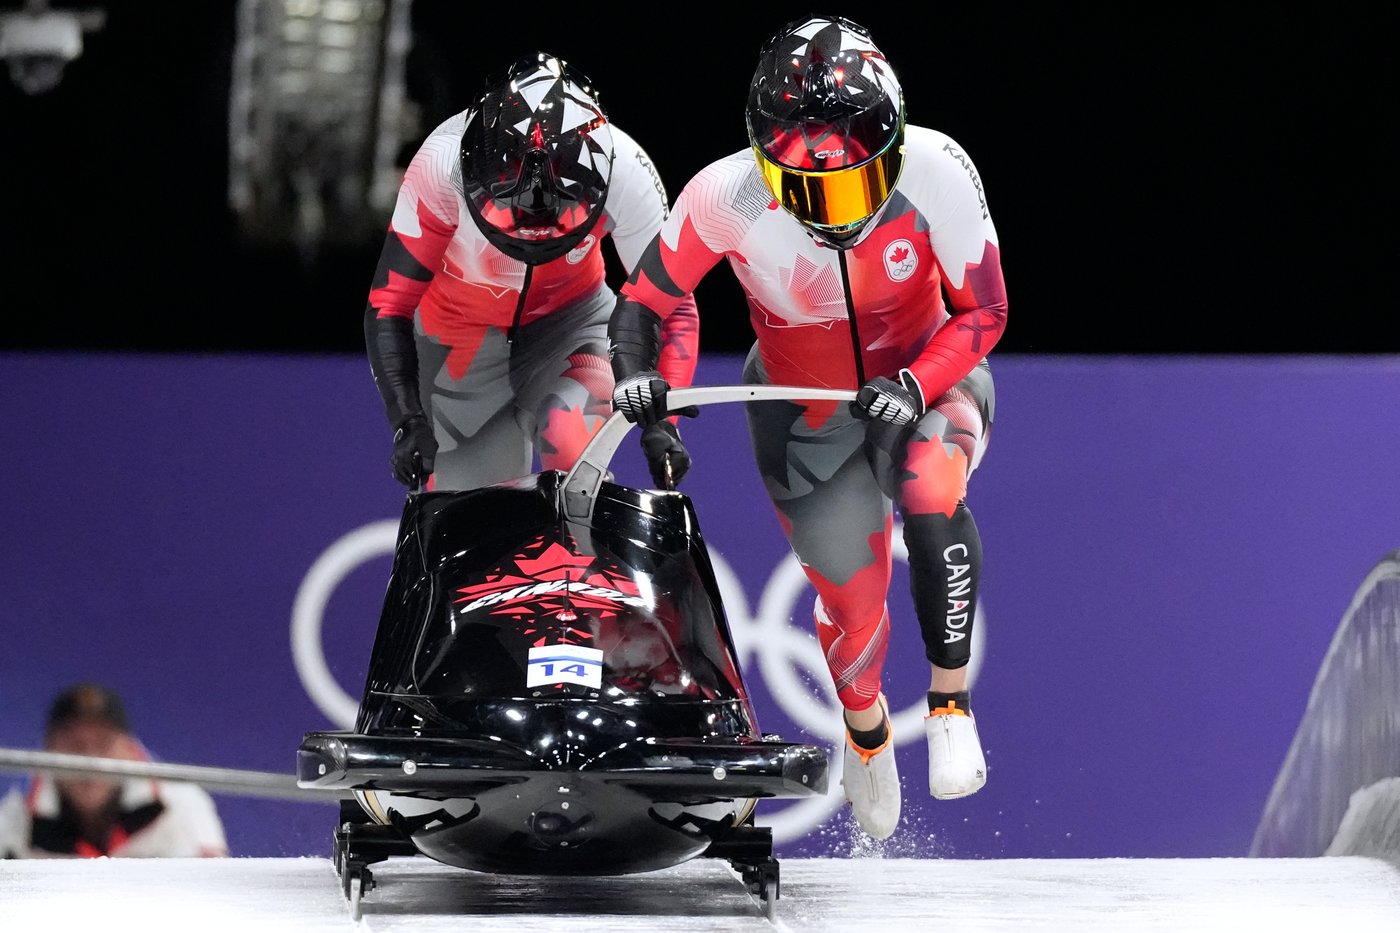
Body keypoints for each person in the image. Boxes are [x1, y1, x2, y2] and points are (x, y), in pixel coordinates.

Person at [608, 15, 1009, 840]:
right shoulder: (728, 194)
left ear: (891, 149)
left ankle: (949, 702)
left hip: (930, 373)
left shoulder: (937, 167)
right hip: (804, 409)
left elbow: (986, 311)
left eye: (855, 183)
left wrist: (916, 380)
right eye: (809, 188)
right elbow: (642, 305)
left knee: (933, 479)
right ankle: (868, 736)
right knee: (851, 600)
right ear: (766, 166)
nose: (836, 211)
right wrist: (645, 384)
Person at [365, 51, 699, 494]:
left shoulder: (628, 171)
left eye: (555, 214)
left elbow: (673, 309)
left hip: (572, 324)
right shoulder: (440, 165)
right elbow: (389, 304)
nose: (535, 234)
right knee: (478, 514)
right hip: (457, 338)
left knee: (569, 436)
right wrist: (406, 420)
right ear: (476, 169)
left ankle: (583, 552)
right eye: (513, 211)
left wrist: (664, 423)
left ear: (595, 180)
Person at [0, 682, 229, 858]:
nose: (89, 759)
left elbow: (215, 901)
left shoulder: (183, 802)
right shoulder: (12, 822)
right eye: (74, 745)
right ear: (48, 750)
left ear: (130, 749)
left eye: (103, 744)